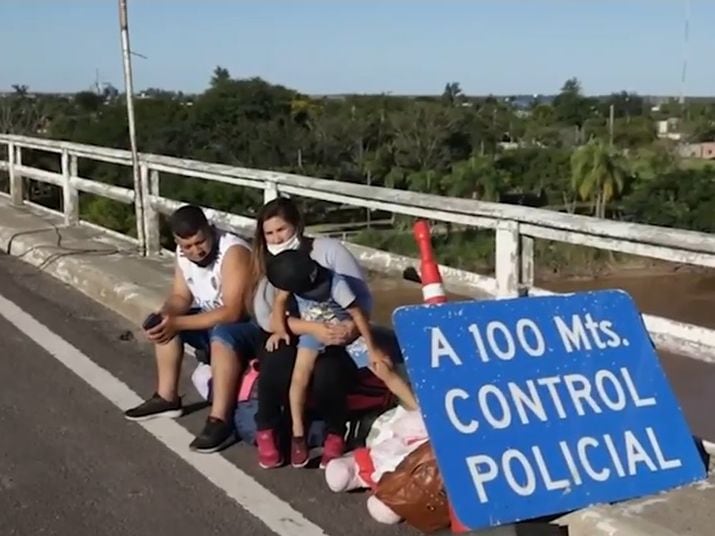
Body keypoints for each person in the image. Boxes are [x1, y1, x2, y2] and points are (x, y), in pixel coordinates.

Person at [124, 204, 259, 453]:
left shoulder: (233, 252)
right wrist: (166, 316)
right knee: (165, 323)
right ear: (177, 242)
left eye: (200, 242)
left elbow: (233, 312)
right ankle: (167, 398)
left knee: (221, 334)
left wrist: (179, 322)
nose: (196, 251)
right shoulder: (183, 254)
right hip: (213, 317)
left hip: (249, 325)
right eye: (188, 246)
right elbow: (180, 296)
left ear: (210, 230)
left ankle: (220, 419)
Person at [251, 196, 371, 469]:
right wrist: (309, 328)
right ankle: (267, 429)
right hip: (289, 331)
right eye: (269, 233)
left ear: (297, 225)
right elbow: (265, 316)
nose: (277, 239)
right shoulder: (270, 264)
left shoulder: (329, 252)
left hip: (335, 331)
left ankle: (335, 433)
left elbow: (361, 301)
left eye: (281, 230)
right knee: (276, 361)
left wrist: (349, 329)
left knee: (329, 373)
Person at [265, 249, 393, 468]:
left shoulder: (336, 283)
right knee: (299, 378)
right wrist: (279, 319)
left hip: (343, 334)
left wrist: (372, 349)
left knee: (381, 368)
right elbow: (278, 313)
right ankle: (298, 433)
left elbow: (357, 314)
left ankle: (340, 432)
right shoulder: (291, 282)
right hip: (314, 333)